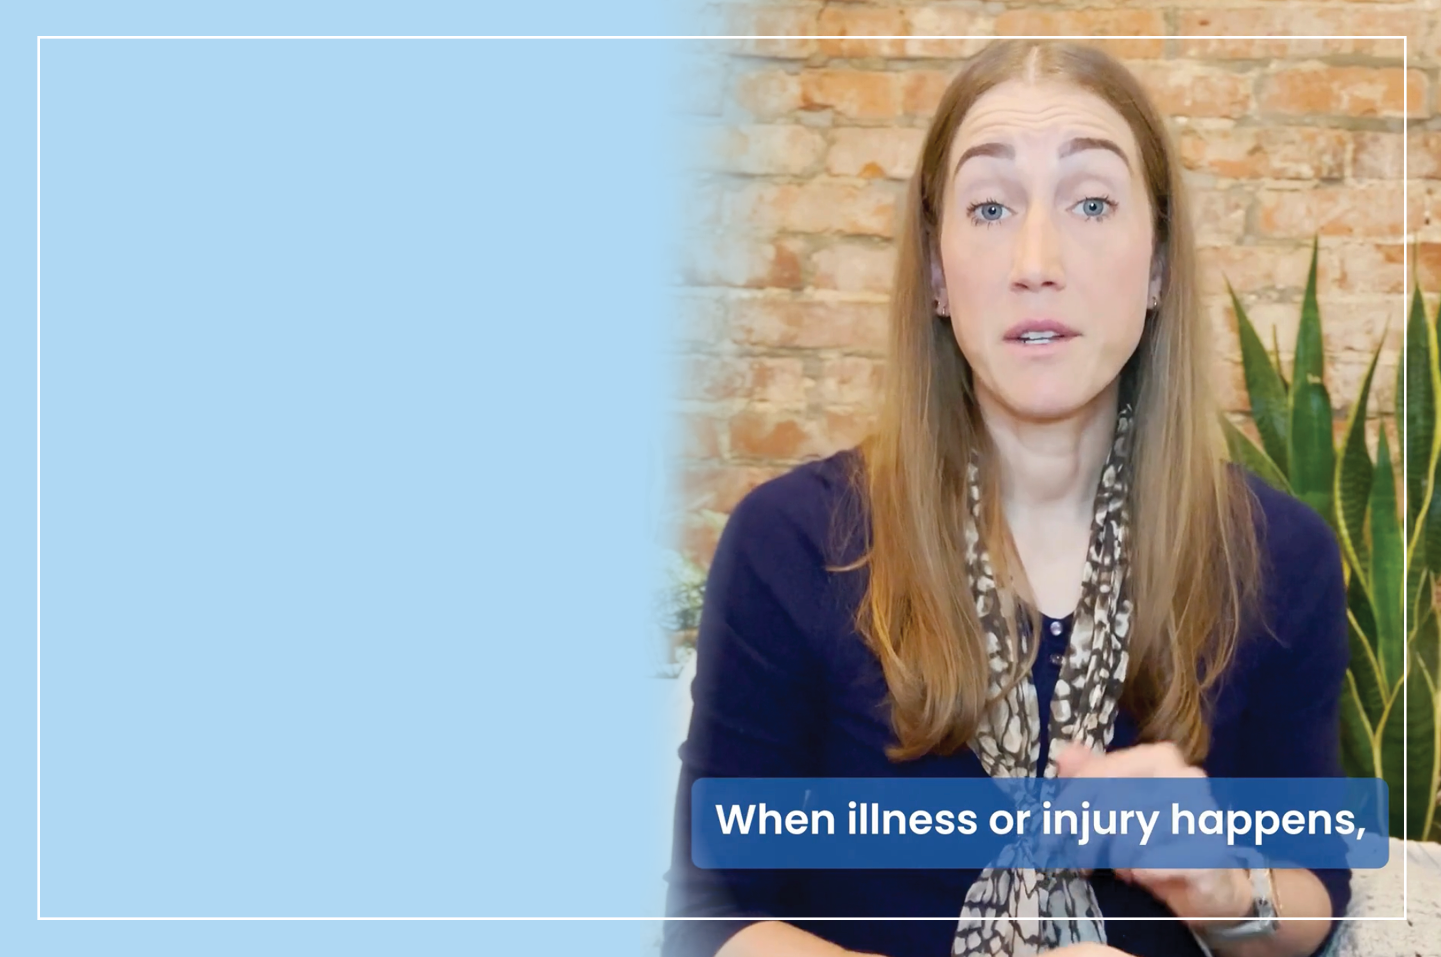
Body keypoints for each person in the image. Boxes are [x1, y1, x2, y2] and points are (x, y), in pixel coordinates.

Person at [663, 39, 1351, 957]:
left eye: (1091, 203)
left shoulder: (1278, 555)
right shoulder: (791, 542)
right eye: (989, 207)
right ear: (937, 272)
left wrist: (1220, 882)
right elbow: (708, 916)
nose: (1036, 259)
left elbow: (1317, 898)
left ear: (1156, 265)